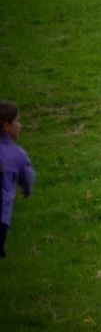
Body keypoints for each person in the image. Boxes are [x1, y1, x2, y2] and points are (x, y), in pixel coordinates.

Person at [0, 101, 34, 259]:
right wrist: (26, 190)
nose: (20, 125)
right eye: (17, 121)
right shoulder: (16, 154)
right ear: (7, 126)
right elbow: (27, 177)